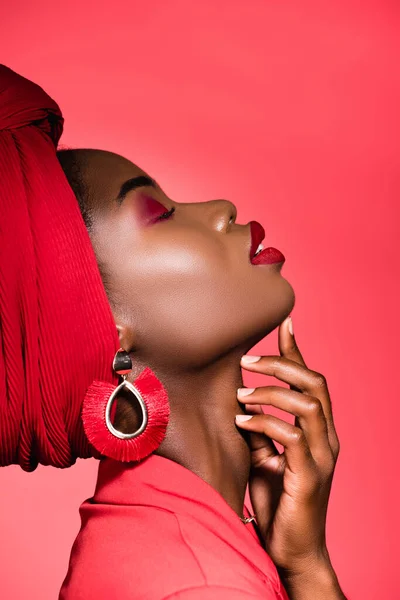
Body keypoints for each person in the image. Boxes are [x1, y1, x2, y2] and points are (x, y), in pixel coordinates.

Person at [0, 65, 347, 599]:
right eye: (160, 213)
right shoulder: (197, 585)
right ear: (106, 328)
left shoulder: (162, 534)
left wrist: (305, 566)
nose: (220, 210)